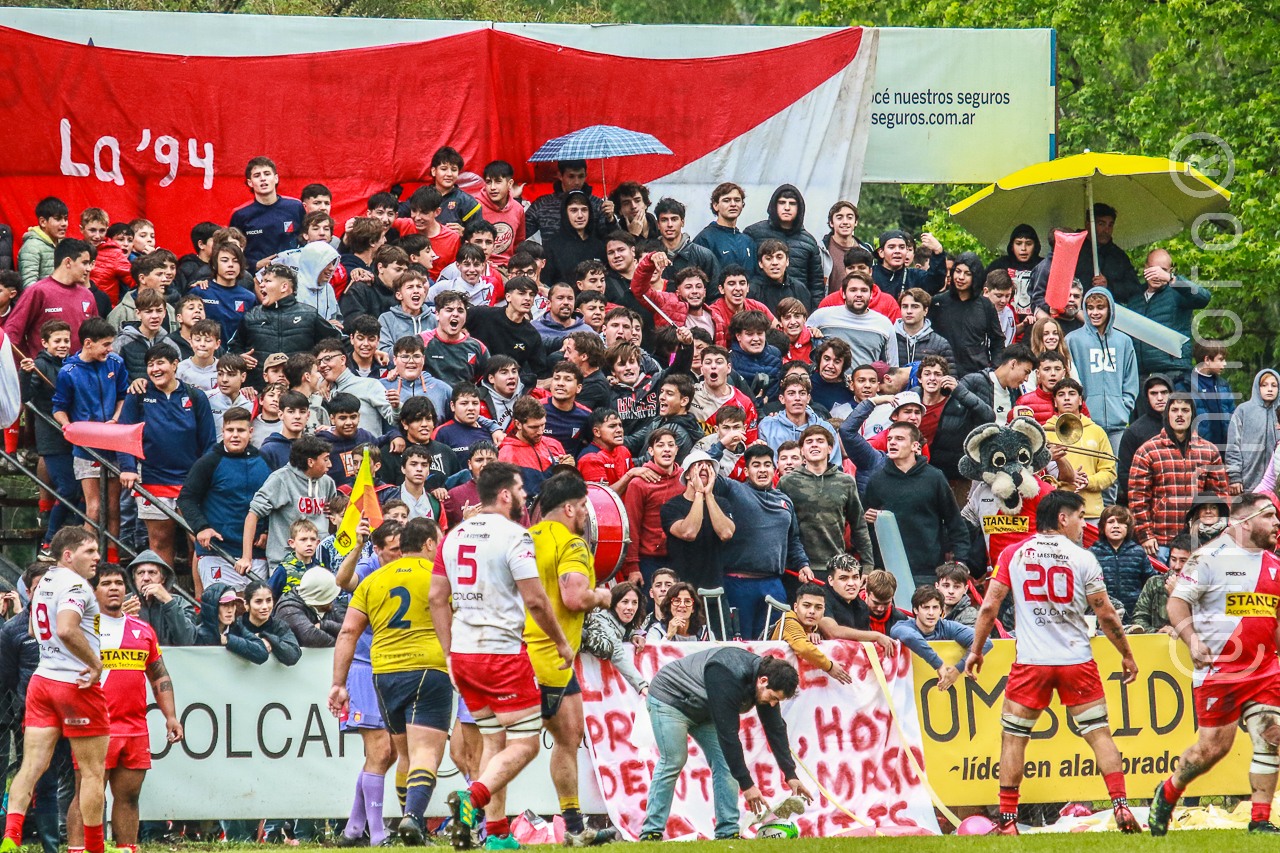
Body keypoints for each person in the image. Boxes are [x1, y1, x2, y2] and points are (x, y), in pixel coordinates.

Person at [965, 489, 1140, 836]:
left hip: (1032, 662)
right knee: (1100, 734)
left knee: (1014, 739)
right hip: (1077, 660)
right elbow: (1105, 613)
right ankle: (1120, 805)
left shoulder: (1014, 553)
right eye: (1079, 517)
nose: (1082, 524)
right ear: (1062, 518)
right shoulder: (1083, 557)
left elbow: (988, 607)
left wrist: (976, 649)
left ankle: (1009, 821)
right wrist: (1127, 654)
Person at [429, 462, 576, 851]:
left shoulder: (453, 535)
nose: (527, 497)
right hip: (501, 655)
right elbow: (536, 601)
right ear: (506, 494)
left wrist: (447, 651)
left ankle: (496, 837)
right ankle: (470, 802)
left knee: (494, 744)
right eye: (522, 490)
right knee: (526, 744)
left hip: (463, 654)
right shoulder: (515, 536)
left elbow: (435, 599)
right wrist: (562, 643)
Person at [1150, 493, 1280, 836]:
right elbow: (1176, 605)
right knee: (1212, 750)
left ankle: (1260, 820)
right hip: (1219, 671)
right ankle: (1168, 791)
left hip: (1264, 669)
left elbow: (1274, 620)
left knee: (1273, 735)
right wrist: (1191, 639)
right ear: (1244, 522)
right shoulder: (1207, 558)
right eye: (1268, 516)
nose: (1277, 523)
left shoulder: (1274, 564)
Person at [330, 518, 451, 845]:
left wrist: (337, 683)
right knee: (424, 752)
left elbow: (348, 631)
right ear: (428, 544)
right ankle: (411, 820)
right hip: (429, 669)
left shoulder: (374, 580)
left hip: (383, 674)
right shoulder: (439, 577)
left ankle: (386, 828)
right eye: (437, 541)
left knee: (400, 754)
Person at [1, 529, 111, 853]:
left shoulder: (45, 581)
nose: (97, 557)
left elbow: (35, 628)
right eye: (89, 551)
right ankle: (95, 847)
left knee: (32, 764)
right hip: (75, 684)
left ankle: (11, 836)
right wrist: (96, 663)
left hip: (42, 681)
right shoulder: (77, 586)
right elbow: (65, 628)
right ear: (68, 555)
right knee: (92, 773)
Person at [65, 564, 182, 853]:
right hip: (94, 727)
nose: (114, 587)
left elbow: (159, 675)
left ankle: (126, 848)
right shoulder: (81, 628)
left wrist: (170, 716)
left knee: (129, 796)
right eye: (106, 583)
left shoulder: (142, 630)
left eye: (118, 582)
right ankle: (79, 849)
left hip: (134, 727)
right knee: (86, 796)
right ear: (95, 591)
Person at [523, 474, 614, 846]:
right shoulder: (572, 543)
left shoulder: (522, 538)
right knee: (546, 743)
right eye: (585, 507)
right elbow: (575, 598)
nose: (587, 515)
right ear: (570, 507)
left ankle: (574, 827)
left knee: (568, 735)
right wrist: (603, 596)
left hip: (512, 652)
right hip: (549, 657)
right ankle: (477, 813)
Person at [638, 648, 812, 841]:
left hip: (704, 710)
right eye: (772, 698)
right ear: (762, 680)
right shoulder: (727, 675)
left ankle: (728, 833)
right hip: (670, 699)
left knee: (727, 766)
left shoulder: (766, 680)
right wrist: (748, 786)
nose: (772, 704)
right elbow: (728, 736)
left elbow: (775, 729)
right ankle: (651, 832)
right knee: (674, 759)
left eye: (776, 701)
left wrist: (790, 774)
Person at [52, 317, 128, 564]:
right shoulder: (69, 371)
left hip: (113, 443)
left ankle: (112, 560)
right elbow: (59, 408)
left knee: (113, 506)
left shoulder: (115, 363)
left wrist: (117, 419)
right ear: (88, 343)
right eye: (105, 344)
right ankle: (88, 558)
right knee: (94, 508)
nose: (110, 349)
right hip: (86, 448)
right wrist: (68, 426)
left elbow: (122, 396)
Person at [721, 445, 811, 639]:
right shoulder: (734, 490)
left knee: (774, 642)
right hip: (738, 583)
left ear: (774, 469)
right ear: (746, 471)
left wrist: (803, 564)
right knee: (740, 643)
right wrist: (721, 445)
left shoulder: (785, 500)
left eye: (767, 465)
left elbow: (793, 538)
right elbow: (705, 470)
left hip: (773, 584)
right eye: (756, 465)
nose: (762, 470)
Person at [863, 422, 969, 586]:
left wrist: (961, 560)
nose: (891, 442)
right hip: (888, 572)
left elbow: (954, 522)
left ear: (915, 446)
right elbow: (864, 529)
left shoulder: (934, 478)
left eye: (899, 439)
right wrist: (868, 519)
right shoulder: (877, 480)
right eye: (890, 439)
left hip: (928, 572)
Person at [1129, 393, 1230, 556]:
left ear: (1193, 415)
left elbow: (1221, 497)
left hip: (1199, 541)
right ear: (1167, 414)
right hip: (1160, 541)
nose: (1180, 415)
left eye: (1185, 410)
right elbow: (1137, 499)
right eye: (1175, 410)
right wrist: (1145, 535)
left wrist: (1217, 534)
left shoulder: (1209, 451)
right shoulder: (1148, 451)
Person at [778, 425, 872, 582]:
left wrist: (868, 565)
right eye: (809, 442)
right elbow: (781, 528)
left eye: (820, 441)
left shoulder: (846, 481)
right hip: (798, 569)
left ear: (830, 448)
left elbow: (859, 526)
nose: (814, 444)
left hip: (835, 566)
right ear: (802, 450)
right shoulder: (787, 482)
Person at [1066, 287, 1138, 458]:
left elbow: (1131, 379)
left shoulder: (1124, 341)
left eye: (1100, 307)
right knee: (1088, 475)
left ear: (1110, 309)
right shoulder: (1072, 340)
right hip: (1085, 422)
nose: (1095, 312)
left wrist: (1124, 407)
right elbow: (1068, 380)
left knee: (1113, 475)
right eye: (1090, 308)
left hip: (1117, 424)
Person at [1126, 248, 1210, 385]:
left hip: (1174, 372)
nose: (1158, 275)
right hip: (1141, 374)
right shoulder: (1135, 297)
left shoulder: (1178, 292)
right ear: (1145, 268)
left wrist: (1172, 279)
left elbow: (1204, 298)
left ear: (1171, 271)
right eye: (1153, 269)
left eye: (1163, 270)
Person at [660, 450, 736, 593]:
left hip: (715, 588)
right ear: (688, 474)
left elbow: (726, 533)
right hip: (683, 590)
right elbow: (689, 532)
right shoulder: (671, 506)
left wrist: (708, 495)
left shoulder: (722, 503)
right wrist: (699, 493)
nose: (704, 468)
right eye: (699, 465)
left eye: (709, 466)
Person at [890, 586, 991, 690]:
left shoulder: (947, 626)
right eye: (925, 607)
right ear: (915, 610)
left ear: (941, 610)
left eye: (935, 607)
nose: (931, 613)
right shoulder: (901, 627)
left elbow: (985, 642)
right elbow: (910, 637)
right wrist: (939, 665)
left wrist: (957, 669)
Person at [1044, 378, 1114, 520]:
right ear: (1055, 402)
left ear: (1080, 400)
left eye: (1072, 393)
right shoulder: (1045, 432)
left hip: (1091, 512)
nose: (1067, 398)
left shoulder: (1097, 431)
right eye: (1061, 394)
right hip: (1058, 512)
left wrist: (1088, 481)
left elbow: (1110, 473)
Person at [621, 429, 686, 584]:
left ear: (677, 450)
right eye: (660, 445)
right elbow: (632, 526)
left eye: (671, 445)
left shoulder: (686, 478)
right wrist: (633, 567)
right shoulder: (639, 483)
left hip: (682, 558)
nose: (666, 449)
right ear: (651, 450)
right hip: (649, 560)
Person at [743, 184, 824, 309]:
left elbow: (816, 286)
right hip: (760, 305)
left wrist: (814, 316)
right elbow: (744, 273)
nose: (787, 208)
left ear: (799, 208)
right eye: (782, 202)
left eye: (792, 203)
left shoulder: (809, 242)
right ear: (774, 206)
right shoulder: (754, 234)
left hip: (797, 310)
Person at [929, 254, 1005, 376]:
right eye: (958, 271)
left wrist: (994, 369)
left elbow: (997, 340)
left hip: (976, 373)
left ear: (975, 276)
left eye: (967, 274)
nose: (961, 277)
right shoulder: (939, 302)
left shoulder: (986, 305)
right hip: (942, 372)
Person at [804, 271, 897, 367]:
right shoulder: (821, 316)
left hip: (865, 381)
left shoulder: (884, 325)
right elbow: (799, 343)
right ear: (843, 294)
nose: (859, 294)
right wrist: (810, 332)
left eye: (864, 290)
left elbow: (892, 368)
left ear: (871, 294)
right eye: (853, 290)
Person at [230, 156, 306, 270]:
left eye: (267, 174)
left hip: (293, 274)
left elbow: (307, 239)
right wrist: (255, 265)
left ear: (276, 178)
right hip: (257, 278)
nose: (263, 179)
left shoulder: (295, 207)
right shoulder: (240, 215)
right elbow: (232, 251)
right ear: (250, 182)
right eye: (257, 175)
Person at [767, 583, 852, 683]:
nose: (812, 611)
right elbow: (803, 648)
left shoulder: (813, 628)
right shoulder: (789, 621)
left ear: (824, 610)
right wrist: (830, 667)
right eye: (806, 606)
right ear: (795, 607)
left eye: (818, 607)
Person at [581, 583, 649, 695]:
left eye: (634, 603)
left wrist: (632, 635)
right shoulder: (600, 618)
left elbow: (620, 630)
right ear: (613, 603)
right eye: (625, 602)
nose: (630, 607)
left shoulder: (620, 624)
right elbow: (617, 653)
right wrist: (642, 686)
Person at [1089, 506, 1156, 619]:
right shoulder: (1092, 553)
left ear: (1128, 527)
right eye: (1111, 522)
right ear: (1102, 526)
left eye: (1121, 522)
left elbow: (1150, 582)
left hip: (1135, 615)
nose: (1116, 526)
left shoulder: (1138, 552)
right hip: (1102, 615)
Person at [1117, 375, 1171, 505]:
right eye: (1154, 393)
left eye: (1164, 392)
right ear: (1146, 397)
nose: (1159, 398)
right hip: (1147, 502)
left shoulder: (1184, 427)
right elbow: (1125, 473)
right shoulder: (1134, 432)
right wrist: (1140, 501)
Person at [1074, 203, 1142, 304]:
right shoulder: (1074, 249)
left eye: (1110, 225)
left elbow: (1134, 288)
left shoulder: (1119, 256)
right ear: (1088, 224)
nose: (1107, 230)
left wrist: (1108, 286)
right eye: (1101, 224)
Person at [1227, 370, 1280, 494]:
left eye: (1274, 385)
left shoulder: (1279, 413)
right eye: (1264, 385)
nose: (1269, 389)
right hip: (1247, 481)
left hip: (1276, 485)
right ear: (1257, 387)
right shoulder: (1243, 411)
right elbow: (1233, 445)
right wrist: (1235, 476)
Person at [1129, 535, 1192, 634]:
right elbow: (1138, 619)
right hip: (1158, 645)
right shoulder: (1154, 583)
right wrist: (1156, 632)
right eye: (1173, 559)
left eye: (1183, 561)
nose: (1176, 566)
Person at [1179, 342, 1236, 450]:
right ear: (1207, 360)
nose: (1224, 364)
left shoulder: (1223, 385)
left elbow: (1233, 414)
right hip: (1197, 452)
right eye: (1220, 359)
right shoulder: (1184, 385)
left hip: (1224, 451)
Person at [195, 585, 269, 663]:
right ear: (213, 607)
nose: (230, 610)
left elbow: (262, 653)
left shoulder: (238, 627)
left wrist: (228, 640)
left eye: (233, 604)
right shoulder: (198, 634)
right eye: (225, 604)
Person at [240, 581, 301, 665]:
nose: (265, 607)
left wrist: (268, 638)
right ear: (246, 604)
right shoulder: (236, 625)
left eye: (268, 600)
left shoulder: (280, 626)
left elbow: (293, 656)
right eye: (258, 601)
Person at [895, 287, 955, 367]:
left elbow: (949, 377)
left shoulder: (940, 344)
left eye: (915, 307)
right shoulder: (890, 338)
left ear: (925, 310)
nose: (909, 311)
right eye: (905, 306)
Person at [17, 196, 68, 287]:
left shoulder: (65, 244)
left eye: (65, 218)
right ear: (43, 222)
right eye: (58, 219)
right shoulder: (31, 247)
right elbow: (29, 285)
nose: (64, 223)